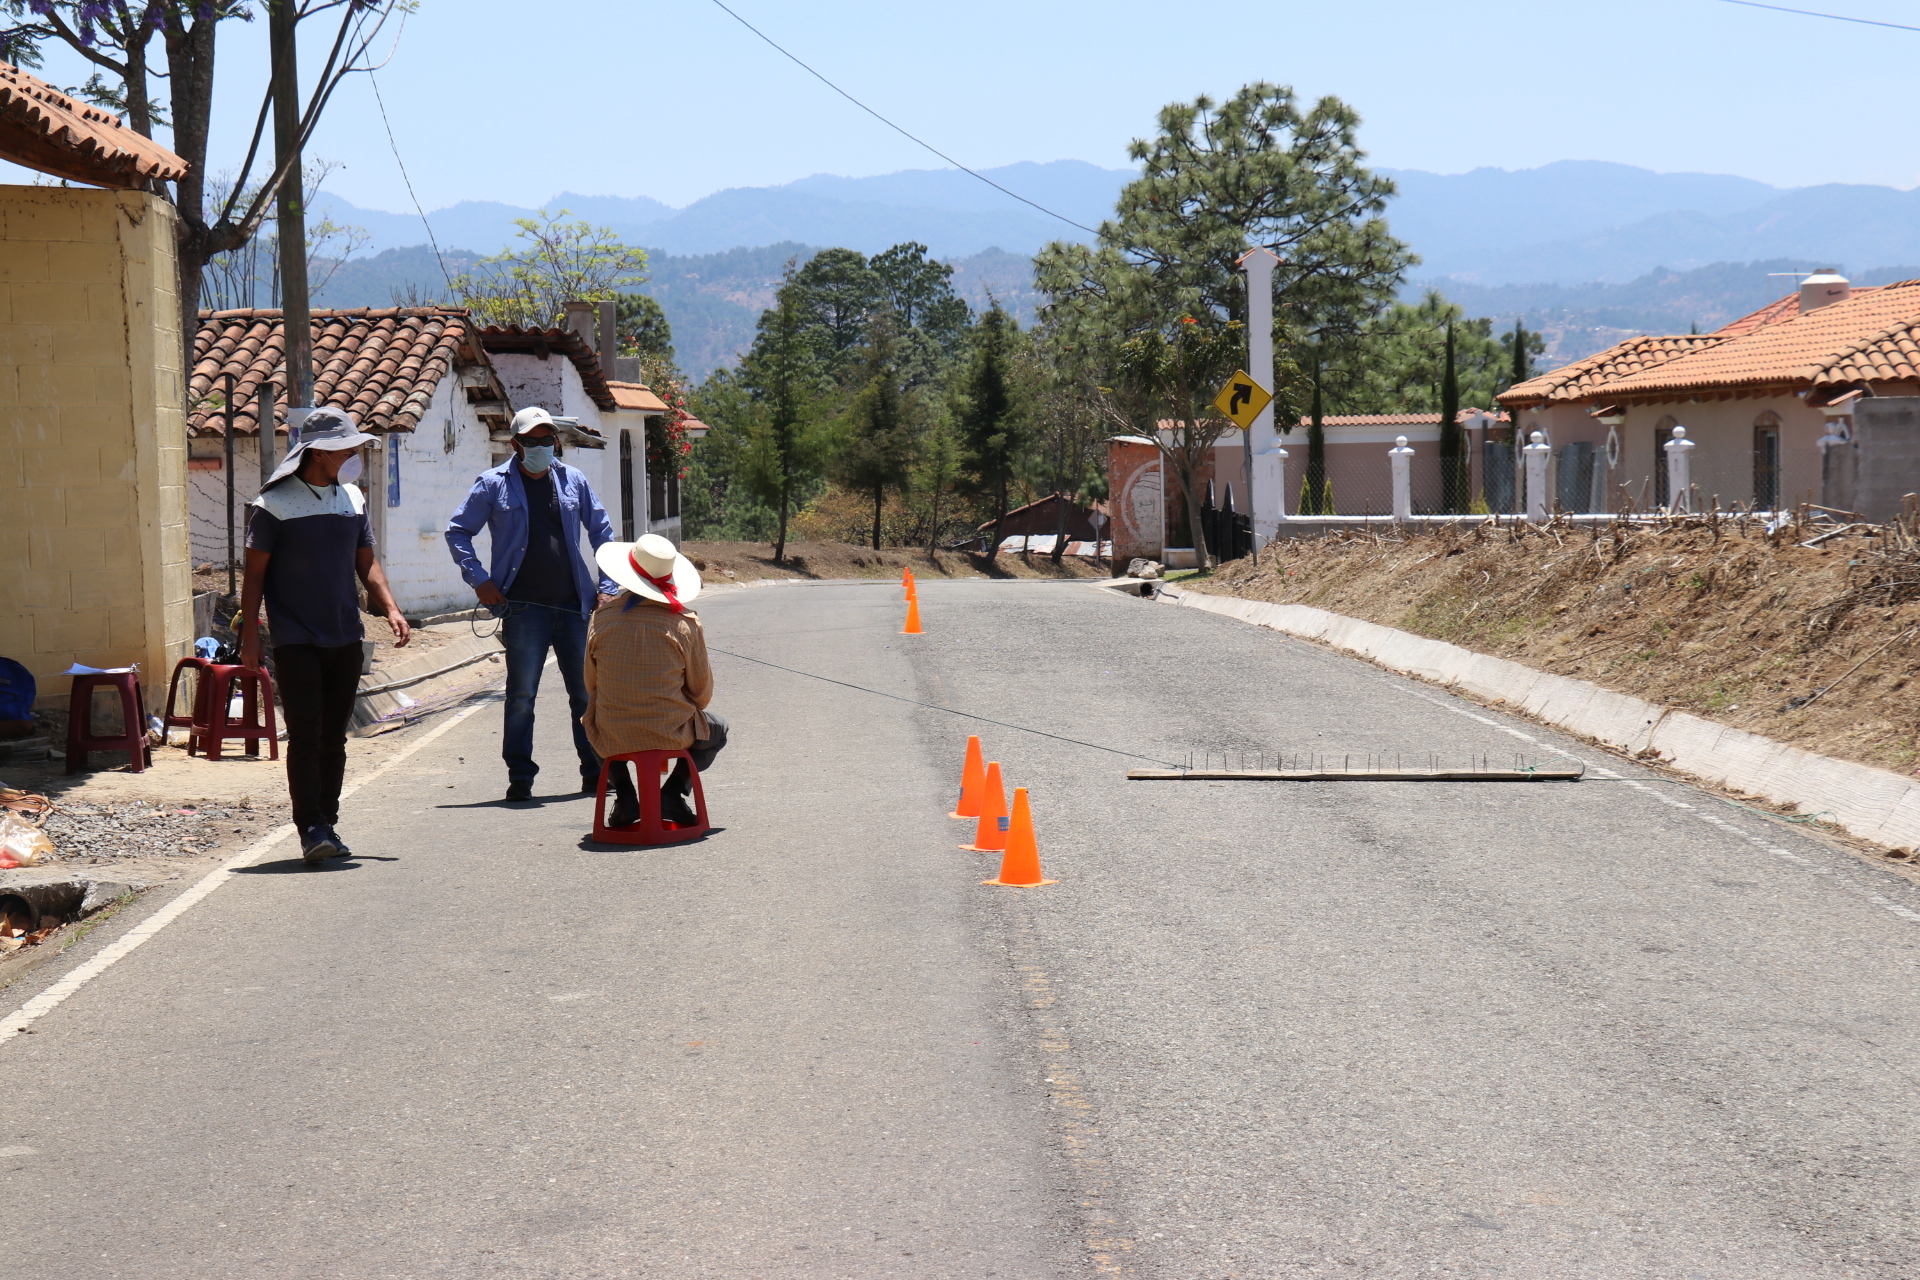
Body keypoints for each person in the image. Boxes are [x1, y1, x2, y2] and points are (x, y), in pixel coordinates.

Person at [239, 406, 410, 866]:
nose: (353, 452)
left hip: (345, 636)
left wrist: (391, 608)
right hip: (296, 638)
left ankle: (327, 824)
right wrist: (251, 634)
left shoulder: (351, 499)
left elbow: (367, 562)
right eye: (344, 447)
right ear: (318, 454)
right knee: (306, 735)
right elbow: (254, 575)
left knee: (335, 737)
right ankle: (309, 825)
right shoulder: (272, 505)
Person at [446, 406, 618, 802]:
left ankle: (595, 771)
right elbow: (458, 533)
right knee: (521, 695)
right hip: (523, 609)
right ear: (516, 444)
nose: (541, 447)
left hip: (575, 606)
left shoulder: (573, 479)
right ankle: (520, 777)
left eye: (547, 440)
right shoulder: (492, 484)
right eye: (532, 441)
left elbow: (603, 533)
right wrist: (480, 580)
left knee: (586, 695)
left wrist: (607, 586)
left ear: (556, 441)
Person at [583, 533, 728, 828]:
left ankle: (625, 796)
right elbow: (701, 695)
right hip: (671, 732)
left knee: (592, 724)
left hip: (613, 731)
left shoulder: (601, 619)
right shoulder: (686, 624)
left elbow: (591, 685)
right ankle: (672, 793)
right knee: (719, 730)